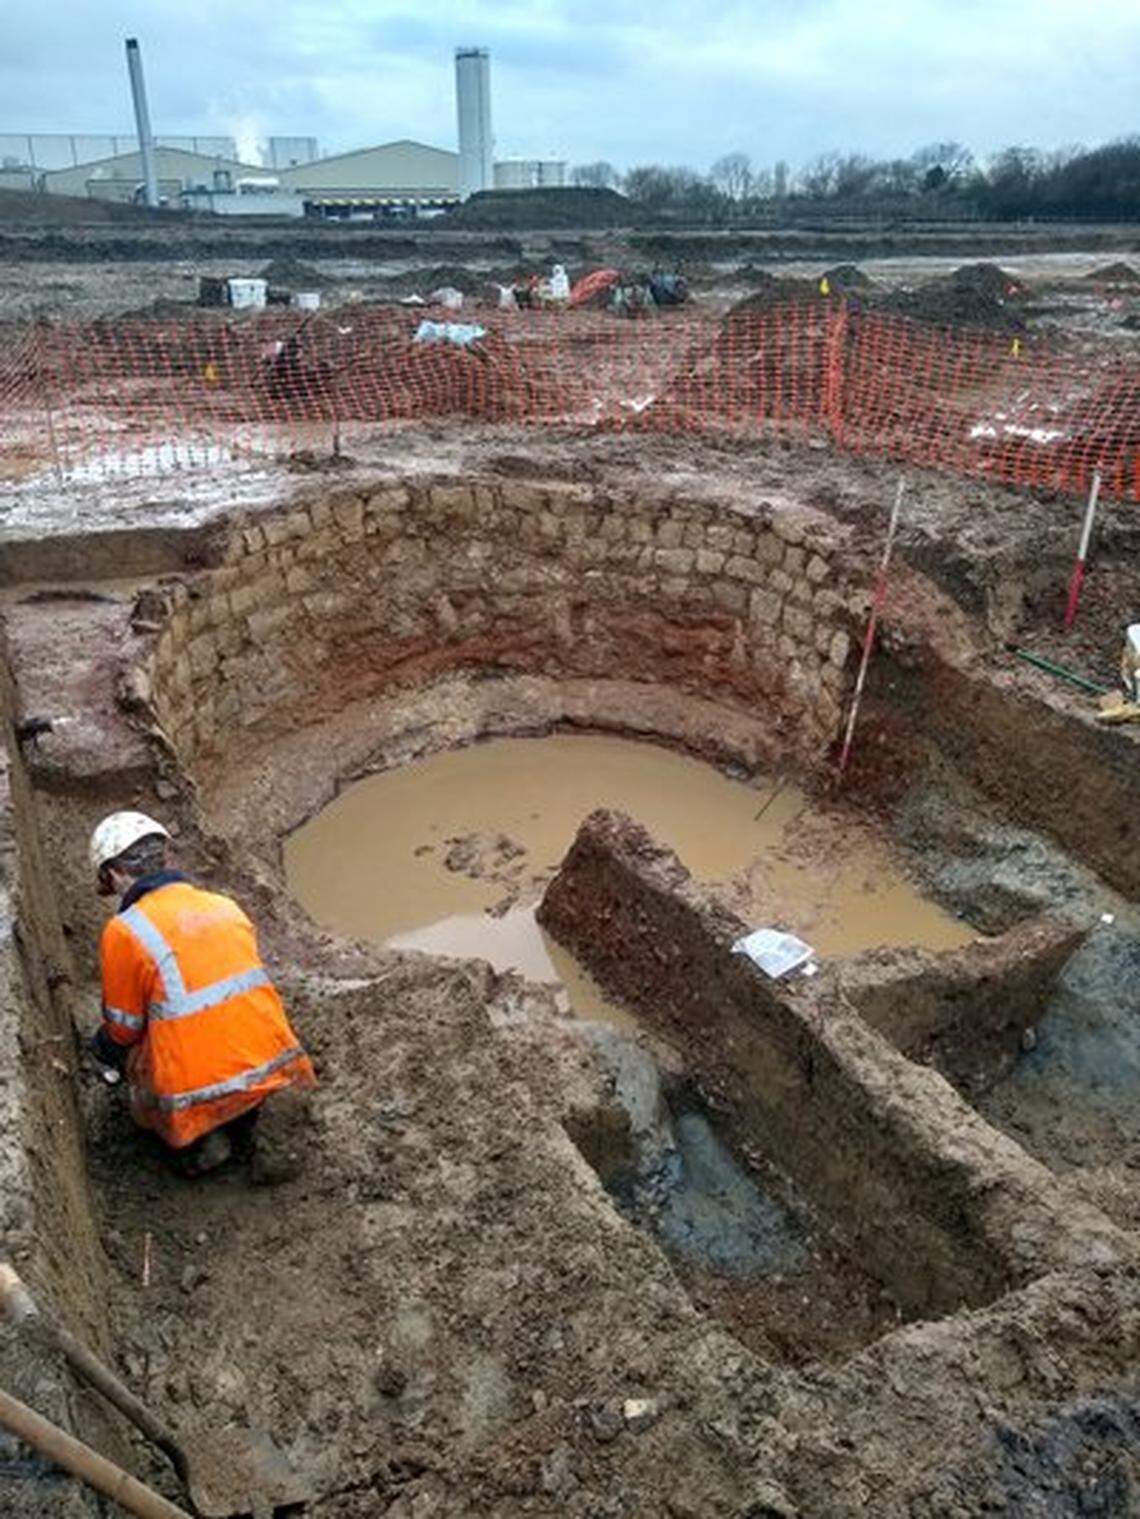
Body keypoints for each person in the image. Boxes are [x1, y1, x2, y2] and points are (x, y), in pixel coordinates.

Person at [89, 811, 315, 1176]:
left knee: (134, 1060)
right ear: (164, 857)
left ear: (114, 872)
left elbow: (124, 1029)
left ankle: (202, 1138)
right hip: (272, 1064)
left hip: (193, 1096)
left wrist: (102, 1048)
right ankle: (252, 1118)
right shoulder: (225, 907)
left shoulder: (124, 931)